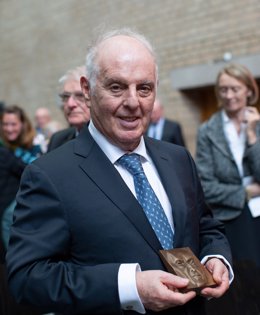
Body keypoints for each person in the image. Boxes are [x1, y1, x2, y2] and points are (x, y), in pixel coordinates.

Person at [6, 29, 232, 315]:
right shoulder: (49, 175)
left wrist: (217, 258)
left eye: (144, 88)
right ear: (87, 90)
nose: (133, 102)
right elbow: (28, 278)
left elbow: (206, 226)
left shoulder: (177, 158)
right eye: (116, 87)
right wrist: (130, 287)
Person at [195, 63, 260, 314]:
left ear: (248, 91)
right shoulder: (207, 131)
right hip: (232, 216)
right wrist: (245, 193)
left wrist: (253, 136)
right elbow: (206, 186)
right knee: (245, 286)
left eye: (235, 89)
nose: (229, 95)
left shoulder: (258, 124)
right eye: (223, 90)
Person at [0, 105, 42, 315]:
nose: (9, 129)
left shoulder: (34, 148)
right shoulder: (4, 151)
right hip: (11, 228)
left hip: (35, 223)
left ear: (22, 124)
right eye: (5, 124)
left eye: (13, 124)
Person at [47, 65, 90, 152]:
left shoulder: (115, 140)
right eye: (66, 97)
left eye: (80, 96)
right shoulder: (57, 141)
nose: (70, 104)